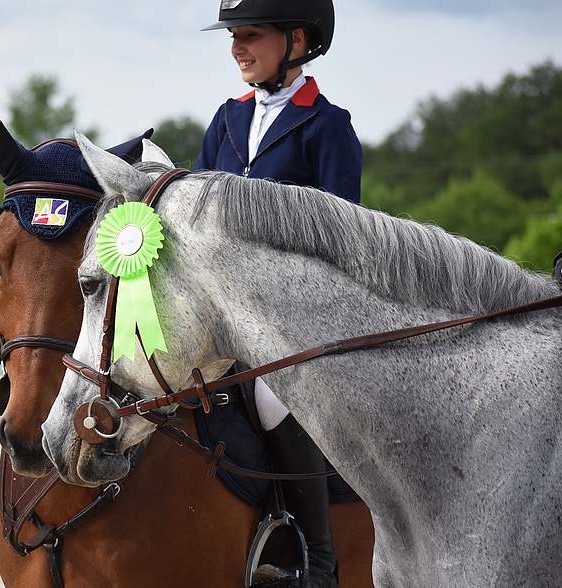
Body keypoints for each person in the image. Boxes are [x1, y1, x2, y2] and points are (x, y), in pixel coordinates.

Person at [196, 1, 362, 587]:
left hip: (289, 313)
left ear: (297, 40)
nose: (238, 47)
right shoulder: (227, 117)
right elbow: (198, 211)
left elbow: (341, 237)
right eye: (234, 36)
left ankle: (320, 559)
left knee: (270, 399)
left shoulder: (326, 125)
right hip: (217, 302)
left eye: (251, 35)